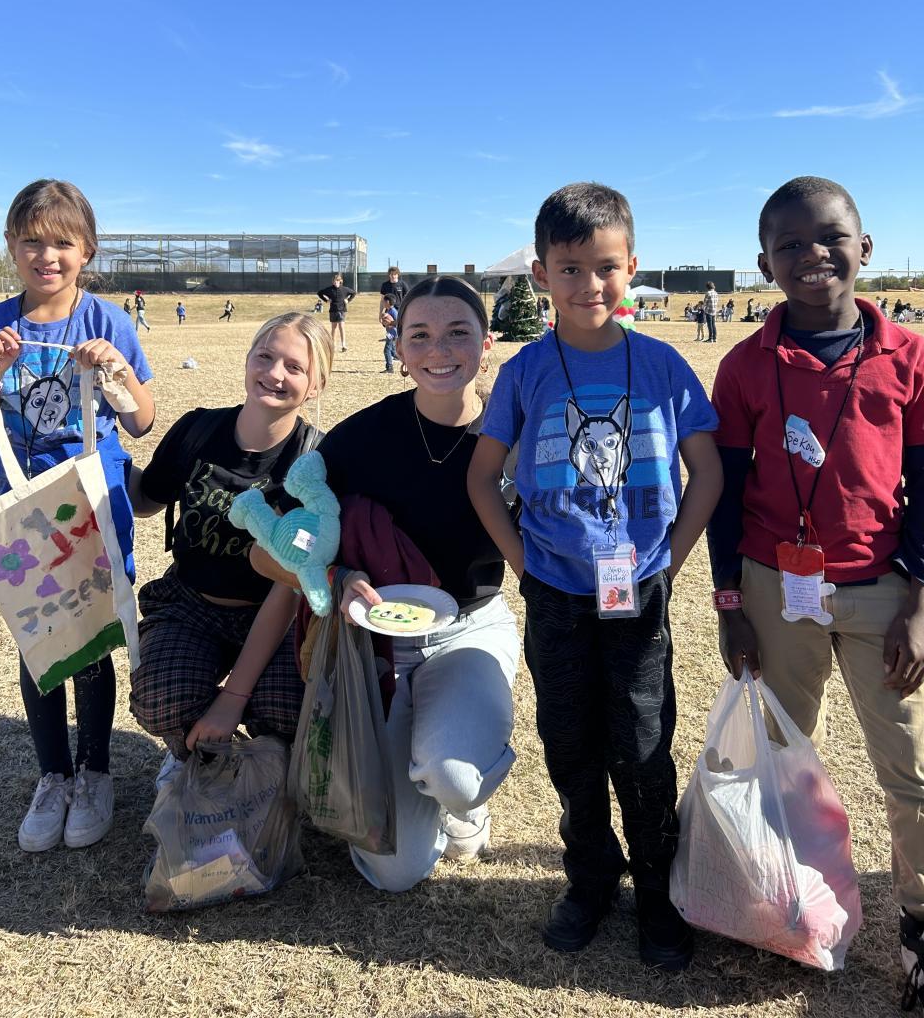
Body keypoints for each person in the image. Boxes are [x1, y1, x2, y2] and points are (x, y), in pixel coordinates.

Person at [468, 182, 722, 970]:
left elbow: (707, 473)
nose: (590, 285)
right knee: (569, 742)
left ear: (632, 267)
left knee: (642, 742)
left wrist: (669, 559)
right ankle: (590, 876)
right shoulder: (525, 372)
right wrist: (527, 566)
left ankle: (657, 888)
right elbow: (482, 479)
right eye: (570, 269)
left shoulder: (664, 365)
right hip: (556, 596)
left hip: (638, 591)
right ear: (542, 274)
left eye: (607, 267)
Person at [706, 176, 924, 1007]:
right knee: (782, 758)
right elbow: (725, 496)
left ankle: (919, 923)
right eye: (789, 244)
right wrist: (730, 605)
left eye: (830, 237)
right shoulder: (744, 365)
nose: (812, 255)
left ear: (864, 247)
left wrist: (921, 605)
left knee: (910, 769)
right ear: (764, 262)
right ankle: (791, 903)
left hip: (882, 591)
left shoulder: (910, 357)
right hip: (774, 586)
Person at [256, 276, 520, 892]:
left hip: (469, 631)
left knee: (455, 777)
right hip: (374, 642)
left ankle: (460, 794)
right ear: (399, 348)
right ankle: (418, 764)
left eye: (458, 332)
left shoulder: (517, 436)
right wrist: (335, 576)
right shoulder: (362, 437)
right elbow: (266, 549)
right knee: (395, 872)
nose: (439, 350)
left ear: (486, 344)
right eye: (419, 335)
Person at [0, 179, 155, 852]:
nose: (46, 255)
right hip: (22, 513)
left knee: (93, 637)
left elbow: (142, 420)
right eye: (31, 241)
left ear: (87, 250)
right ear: (11, 247)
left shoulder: (108, 322)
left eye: (62, 243)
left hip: (92, 505)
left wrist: (115, 370)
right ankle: (53, 775)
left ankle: (95, 771)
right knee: (38, 638)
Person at [128, 313, 332, 764]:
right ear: (248, 360)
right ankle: (191, 758)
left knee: (289, 706)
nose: (275, 373)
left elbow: (288, 586)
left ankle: (270, 767)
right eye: (265, 356)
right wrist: (104, 462)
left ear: (315, 385)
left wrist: (234, 697)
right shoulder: (198, 430)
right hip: (190, 604)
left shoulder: (314, 463)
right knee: (161, 697)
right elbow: (146, 499)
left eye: (294, 367)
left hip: (278, 615)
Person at [317, 272, 355, 352]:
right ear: (333, 281)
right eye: (334, 281)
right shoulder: (329, 289)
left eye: (337, 280)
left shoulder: (345, 289)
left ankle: (343, 345)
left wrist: (348, 300)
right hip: (333, 310)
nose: (336, 282)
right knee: (334, 328)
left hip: (342, 310)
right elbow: (319, 293)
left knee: (341, 326)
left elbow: (353, 293)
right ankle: (333, 345)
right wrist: (326, 300)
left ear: (340, 281)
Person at [380, 301, 398, 374]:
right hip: (390, 332)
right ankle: (404, 361)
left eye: (384, 301)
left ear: (388, 302)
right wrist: (384, 323)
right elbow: (386, 323)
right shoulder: (388, 310)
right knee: (393, 351)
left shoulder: (393, 311)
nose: (383, 303)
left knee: (387, 349)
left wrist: (390, 322)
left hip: (392, 333)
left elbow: (398, 322)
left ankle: (389, 368)